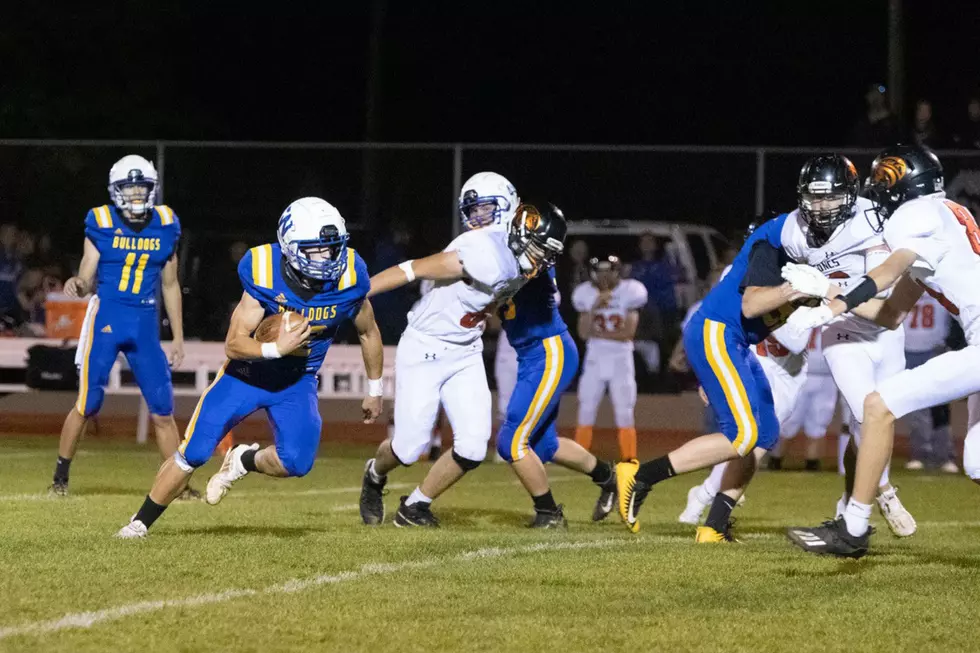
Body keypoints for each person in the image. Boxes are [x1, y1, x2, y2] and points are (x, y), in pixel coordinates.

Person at [115, 197, 384, 538]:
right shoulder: (264, 270)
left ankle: (242, 461)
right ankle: (138, 525)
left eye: (331, 248)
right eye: (314, 250)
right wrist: (275, 348)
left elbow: (368, 330)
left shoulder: (350, 276)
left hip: (297, 381)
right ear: (289, 246)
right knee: (194, 452)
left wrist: (374, 389)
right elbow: (234, 343)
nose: (326, 259)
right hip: (247, 375)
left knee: (297, 462)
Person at [784, 145, 980, 558]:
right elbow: (891, 313)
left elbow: (885, 272)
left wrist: (828, 309)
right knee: (977, 462)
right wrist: (829, 289)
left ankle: (853, 526)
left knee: (876, 406)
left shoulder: (915, 216)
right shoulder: (945, 218)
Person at [358, 199, 563, 527]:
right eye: (540, 248)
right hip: (425, 347)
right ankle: (375, 473)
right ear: (520, 235)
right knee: (409, 450)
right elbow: (412, 269)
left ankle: (414, 508)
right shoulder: (482, 255)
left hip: (466, 351)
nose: (543, 258)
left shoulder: (520, 263)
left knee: (472, 448)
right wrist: (360, 292)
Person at [614, 210, 816, 541]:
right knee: (742, 435)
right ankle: (642, 476)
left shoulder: (776, 263)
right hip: (719, 336)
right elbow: (761, 316)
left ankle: (716, 524)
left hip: (735, 344)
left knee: (764, 434)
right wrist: (800, 294)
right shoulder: (767, 252)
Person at [779, 154, 914, 537]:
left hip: (884, 331)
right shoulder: (793, 230)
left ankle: (847, 504)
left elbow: (881, 292)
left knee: (880, 418)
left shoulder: (870, 219)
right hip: (840, 331)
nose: (821, 206)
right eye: (814, 197)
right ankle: (884, 491)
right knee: (862, 413)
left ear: (851, 195)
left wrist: (827, 289)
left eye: (831, 197)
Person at [51, 155, 187, 497]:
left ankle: (179, 487)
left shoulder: (167, 222)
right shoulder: (101, 221)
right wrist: (78, 285)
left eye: (143, 188)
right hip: (108, 319)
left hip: (144, 324)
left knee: (162, 408)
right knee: (87, 402)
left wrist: (178, 336)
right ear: (117, 191)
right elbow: (87, 273)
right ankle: (60, 479)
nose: (138, 195)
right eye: (131, 188)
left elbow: (171, 284)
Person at [572, 256, 648, 462]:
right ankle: (579, 456)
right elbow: (582, 332)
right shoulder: (585, 294)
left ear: (617, 271)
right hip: (595, 357)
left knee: (624, 408)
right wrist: (595, 306)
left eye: (609, 271)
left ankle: (629, 457)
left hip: (620, 357)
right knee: (586, 406)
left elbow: (627, 333)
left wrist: (597, 334)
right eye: (600, 271)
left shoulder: (631, 291)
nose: (604, 276)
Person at [901, 293, 957, 473]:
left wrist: (950, 343)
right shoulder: (904, 286)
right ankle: (920, 453)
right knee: (917, 405)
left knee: (940, 404)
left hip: (935, 349)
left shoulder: (941, 288)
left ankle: (944, 455)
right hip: (908, 350)